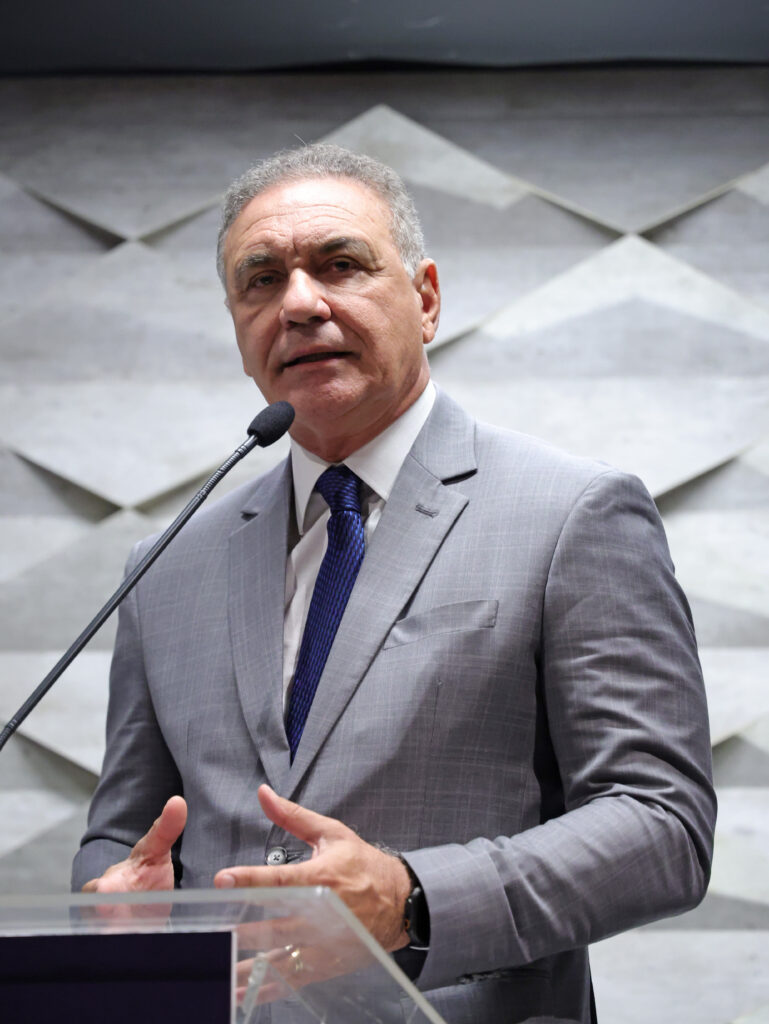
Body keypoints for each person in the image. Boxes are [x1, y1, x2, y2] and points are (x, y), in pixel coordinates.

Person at [72, 144, 716, 1023]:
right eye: (261, 280)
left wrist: (413, 897)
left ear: (425, 298)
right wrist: (110, 899)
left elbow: (661, 826)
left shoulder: (573, 512)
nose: (299, 303)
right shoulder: (169, 563)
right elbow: (122, 831)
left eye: (340, 264)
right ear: (237, 323)